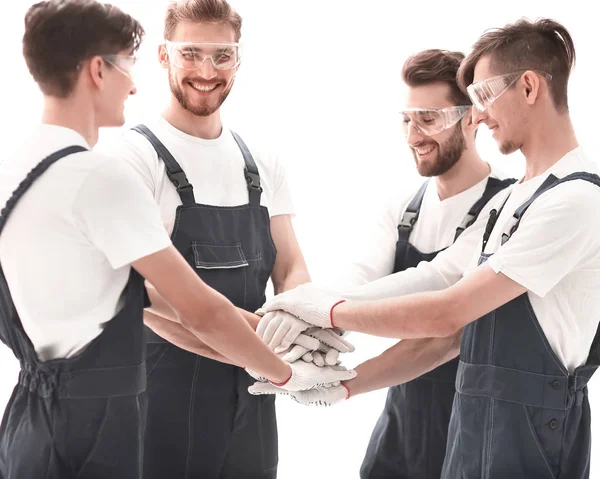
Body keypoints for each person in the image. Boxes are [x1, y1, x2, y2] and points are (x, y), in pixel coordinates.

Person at [0, 1, 352, 477]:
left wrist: (298, 321)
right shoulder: (120, 165)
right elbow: (177, 306)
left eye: (221, 55)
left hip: (245, 394)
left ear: (239, 58)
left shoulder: (32, 164)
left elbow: (284, 267)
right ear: (161, 56)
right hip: (157, 396)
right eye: (190, 53)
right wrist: (284, 367)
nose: (207, 69)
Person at [253, 18, 600, 479]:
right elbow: (437, 280)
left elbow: (447, 314)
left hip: (533, 434)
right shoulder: (515, 198)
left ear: (530, 87)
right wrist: (342, 379)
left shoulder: (575, 201)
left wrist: (327, 312)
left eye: (482, 96)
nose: (478, 114)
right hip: (475, 421)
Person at [353, 49, 513, 479]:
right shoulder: (402, 207)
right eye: (408, 119)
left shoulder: (507, 205)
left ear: (473, 117)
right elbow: (359, 278)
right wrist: (305, 308)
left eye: (429, 119)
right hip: (399, 422)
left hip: (471, 428)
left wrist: (326, 311)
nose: (413, 135)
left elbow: (437, 286)